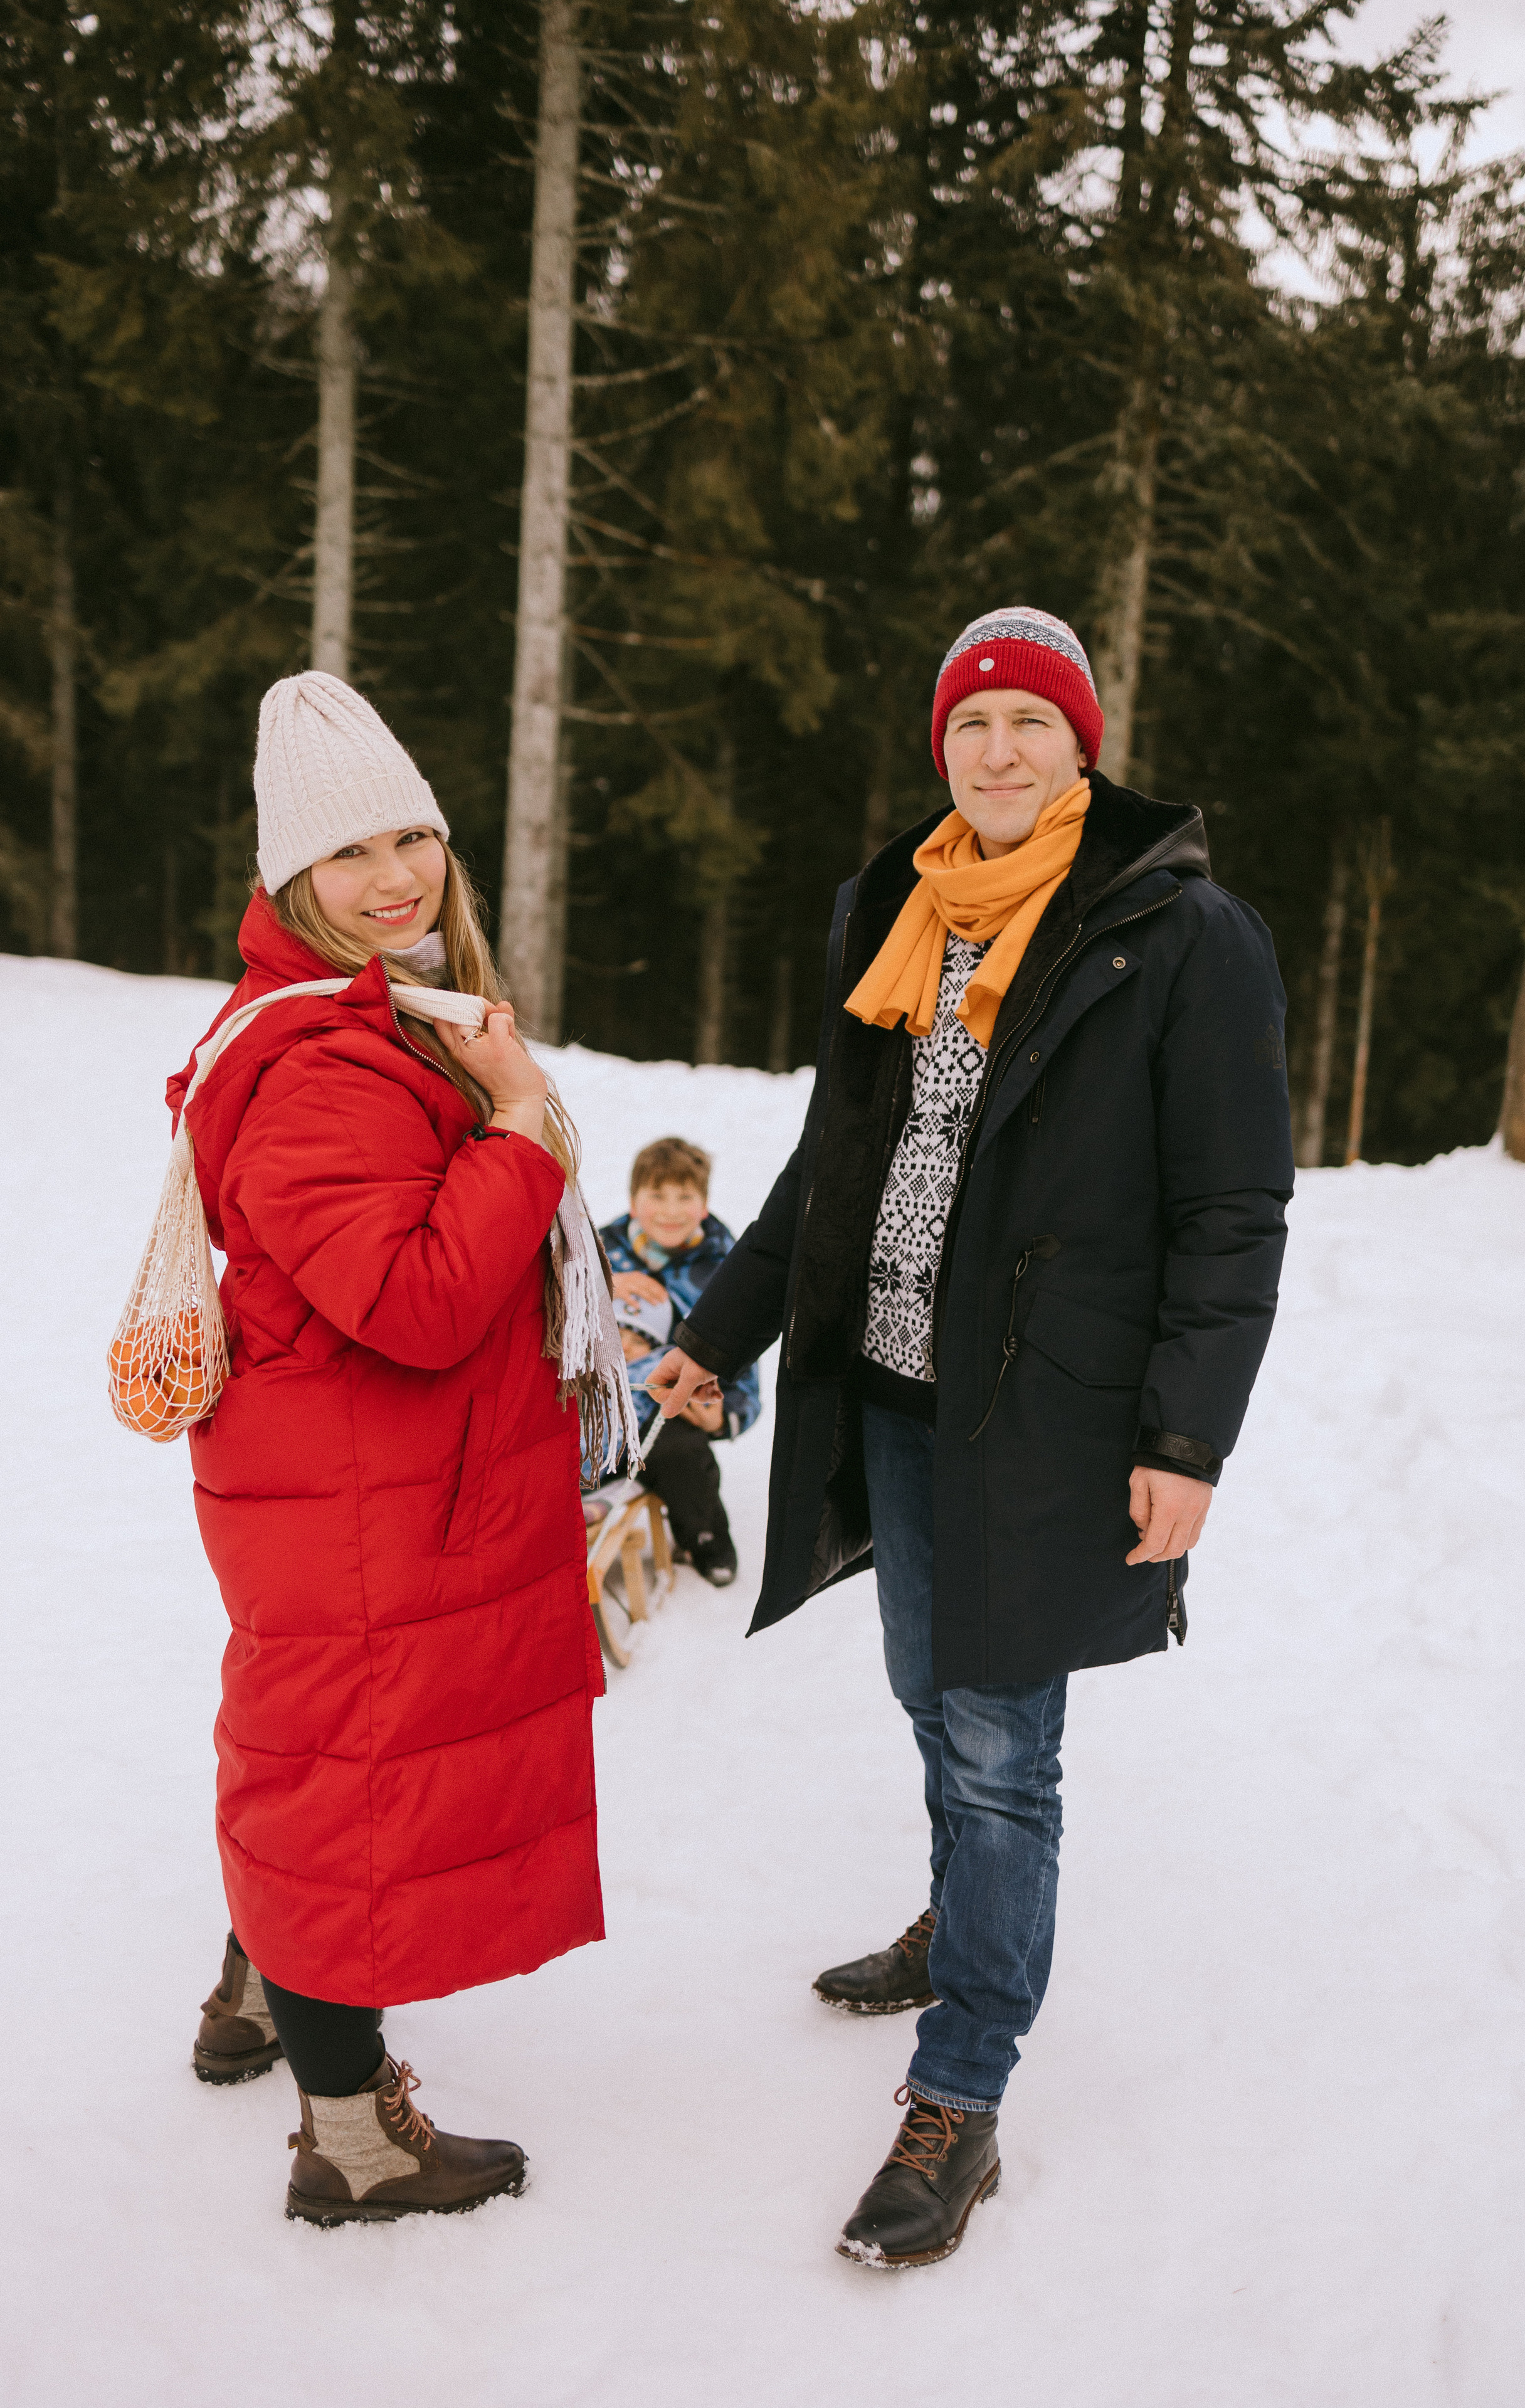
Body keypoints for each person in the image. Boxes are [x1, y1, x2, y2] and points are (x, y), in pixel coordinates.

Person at [648, 606, 1292, 2268]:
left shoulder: (1181, 932)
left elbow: (1233, 1214)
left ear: (1085, 743)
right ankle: (965, 1928)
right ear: (944, 745)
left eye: (1032, 720)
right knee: (933, 1697)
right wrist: (720, 1340)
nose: (999, 749)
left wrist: (1187, 1441)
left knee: (1006, 1749)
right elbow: (832, 1172)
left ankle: (963, 2093)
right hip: (897, 1393)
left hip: (1054, 1422)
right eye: (973, 721)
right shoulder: (901, 911)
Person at [179, 670, 613, 2227]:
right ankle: (351, 2139)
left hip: (356, 1486)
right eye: (351, 852)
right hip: (355, 1497)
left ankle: (253, 1986)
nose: (394, 879)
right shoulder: (318, 1064)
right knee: (337, 1791)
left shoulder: (383, 1011)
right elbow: (420, 1301)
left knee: (317, 1763)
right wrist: (516, 1129)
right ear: (291, 876)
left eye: (412, 836)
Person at [599, 1138, 760, 1585]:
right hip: (601, 1400)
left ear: (704, 1205)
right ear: (634, 1202)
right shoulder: (597, 1254)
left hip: (669, 1409)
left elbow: (744, 1361)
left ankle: (704, 1536)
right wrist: (601, 1284)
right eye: (657, 1195)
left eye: (684, 1197)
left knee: (681, 1453)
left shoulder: (726, 1271)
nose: (670, 1210)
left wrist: (722, 1418)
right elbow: (550, 1296)